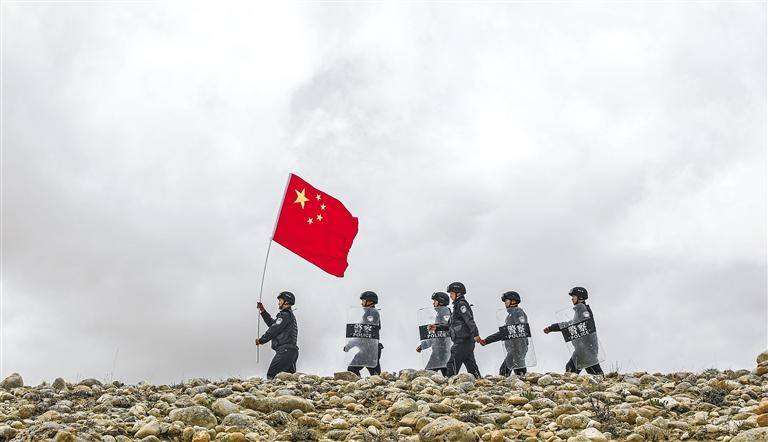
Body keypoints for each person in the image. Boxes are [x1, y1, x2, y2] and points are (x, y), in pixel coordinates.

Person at [544, 286, 604, 375]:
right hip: (581, 349)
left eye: (574, 296)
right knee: (572, 369)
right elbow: (570, 324)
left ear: (580, 297)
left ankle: (603, 380)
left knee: (593, 373)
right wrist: (552, 328)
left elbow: (585, 326)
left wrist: (552, 328)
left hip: (586, 350)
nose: (572, 299)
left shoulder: (584, 310)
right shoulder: (579, 311)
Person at [480, 291, 530, 376]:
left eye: (506, 301)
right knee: (517, 372)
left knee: (505, 372)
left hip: (517, 349)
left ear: (513, 301)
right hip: (514, 349)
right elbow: (505, 332)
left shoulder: (517, 312)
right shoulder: (510, 316)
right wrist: (487, 340)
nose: (505, 303)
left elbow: (519, 330)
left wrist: (519, 351)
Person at [255, 291, 299, 380]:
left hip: (285, 351)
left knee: (272, 375)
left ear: (286, 302)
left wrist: (261, 340)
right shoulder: (288, 316)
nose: (278, 303)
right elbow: (273, 324)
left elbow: (274, 329)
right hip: (291, 352)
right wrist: (263, 311)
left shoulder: (285, 315)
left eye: (280, 300)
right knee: (289, 379)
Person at [444, 282, 483, 378]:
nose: (450, 296)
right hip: (466, 342)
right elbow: (449, 325)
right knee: (472, 368)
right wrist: (436, 327)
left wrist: (476, 334)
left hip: (462, 342)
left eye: (451, 293)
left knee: (452, 365)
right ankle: (479, 381)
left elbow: (469, 320)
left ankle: (448, 384)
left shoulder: (461, 304)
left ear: (458, 293)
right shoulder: (456, 306)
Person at [344, 291, 383, 376]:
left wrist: (350, 345)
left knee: (352, 369)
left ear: (369, 301)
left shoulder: (372, 313)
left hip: (369, 350)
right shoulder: (369, 313)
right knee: (375, 376)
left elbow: (364, 333)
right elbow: (362, 333)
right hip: (369, 350)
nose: (361, 303)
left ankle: (360, 383)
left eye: (363, 301)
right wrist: (350, 344)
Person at [416, 292, 452, 376]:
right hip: (440, 350)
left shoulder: (445, 313)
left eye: (435, 301)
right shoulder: (440, 314)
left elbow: (442, 332)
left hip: (440, 351)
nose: (433, 303)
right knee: (448, 376)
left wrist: (422, 346)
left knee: (427, 375)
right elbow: (435, 335)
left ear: (441, 302)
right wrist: (423, 345)